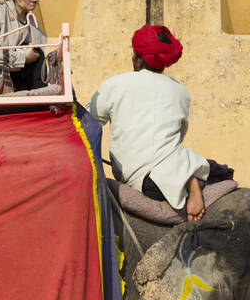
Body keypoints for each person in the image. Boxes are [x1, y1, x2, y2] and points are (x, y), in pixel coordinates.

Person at [88, 25, 211, 221]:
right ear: (163, 64)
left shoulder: (115, 84)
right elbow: (180, 134)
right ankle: (190, 180)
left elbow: (89, 122)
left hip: (140, 179)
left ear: (138, 60)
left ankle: (189, 181)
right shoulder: (180, 92)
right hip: (167, 165)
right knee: (215, 169)